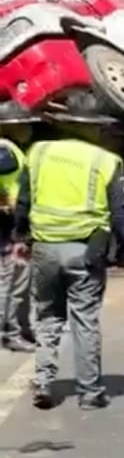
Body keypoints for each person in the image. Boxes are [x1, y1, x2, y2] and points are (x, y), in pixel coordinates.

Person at [14, 122, 124, 411]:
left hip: (45, 248)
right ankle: (89, 393)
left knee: (48, 316)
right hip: (86, 251)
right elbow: (121, 213)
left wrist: (20, 236)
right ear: (95, 130)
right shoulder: (105, 161)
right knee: (84, 321)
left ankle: (44, 383)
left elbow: (24, 201)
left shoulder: (39, 152)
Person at [0, 131, 31, 353]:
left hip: (9, 220)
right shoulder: (5, 150)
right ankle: (11, 333)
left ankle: (17, 330)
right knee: (12, 282)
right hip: (10, 223)